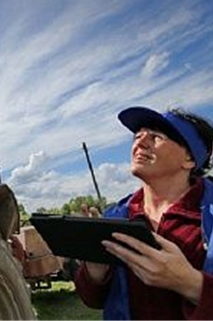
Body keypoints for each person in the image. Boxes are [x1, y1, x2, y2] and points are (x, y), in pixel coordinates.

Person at [74, 106, 213, 320]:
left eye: (156, 137)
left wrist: (191, 283)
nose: (140, 142)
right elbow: (94, 300)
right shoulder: (116, 217)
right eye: (137, 136)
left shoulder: (208, 216)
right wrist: (95, 270)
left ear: (190, 159)